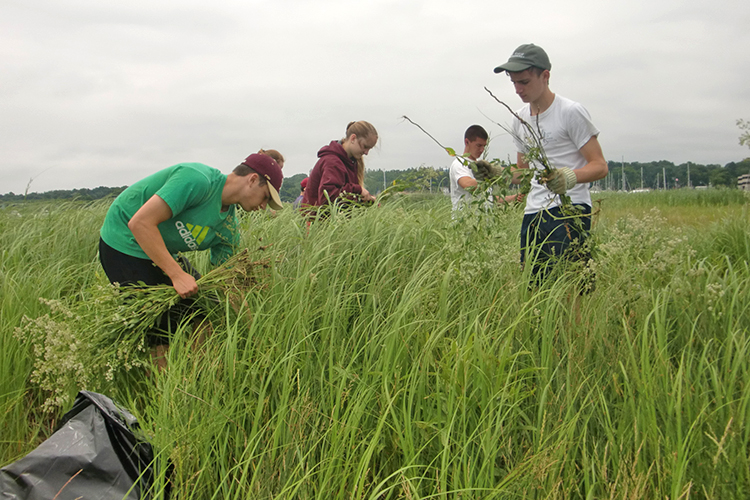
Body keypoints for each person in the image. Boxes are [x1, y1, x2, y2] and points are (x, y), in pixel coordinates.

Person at [98, 153, 283, 366]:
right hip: (124, 240)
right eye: (266, 197)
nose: (263, 207)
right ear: (252, 180)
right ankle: (160, 394)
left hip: (160, 249)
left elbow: (229, 282)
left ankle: (195, 379)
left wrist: (253, 330)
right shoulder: (196, 179)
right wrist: (176, 274)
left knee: (205, 312)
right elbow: (139, 223)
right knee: (162, 329)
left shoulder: (228, 227)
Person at [493, 43, 608, 280]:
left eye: (524, 82)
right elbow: (523, 174)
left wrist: (569, 177)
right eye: (513, 82)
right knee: (533, 287)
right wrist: (497, 173)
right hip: (533, 212)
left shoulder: (570, 112)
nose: (517, 89)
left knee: (571, 285)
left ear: (545, 76)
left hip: (569, 209)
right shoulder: (520, 120)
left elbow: (600, 165)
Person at [302, 121, 378, 207]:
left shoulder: (350, 161)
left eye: (369, 149)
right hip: (315, 219)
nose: (366, 152)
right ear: (353, 138)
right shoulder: (332, 162)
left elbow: (344, 198)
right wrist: (358, 190)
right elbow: (328, 198)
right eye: (365, 146)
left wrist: (366, 199)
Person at [449, 124, 523, 212]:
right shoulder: (459, 163)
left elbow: (489, 199)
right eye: (479, 145)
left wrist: (513, 198)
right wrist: (490, 177)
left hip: (483, 223)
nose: (482, 150)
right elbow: (468, 185)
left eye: (484, 146)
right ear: (467, 142)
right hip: (465, 222)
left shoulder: (480, 165)